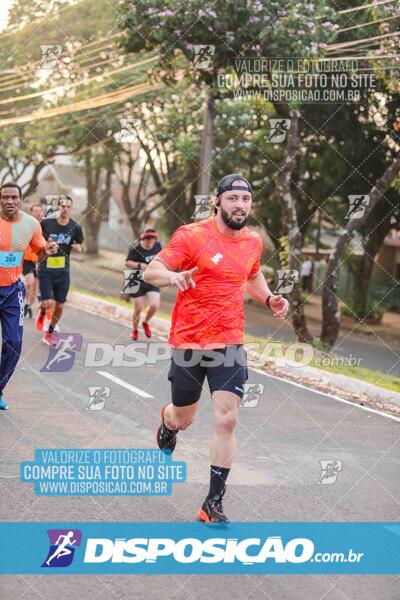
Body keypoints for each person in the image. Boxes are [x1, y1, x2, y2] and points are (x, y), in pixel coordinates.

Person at [144, 174, 289, 522]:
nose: (241, 205)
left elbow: (252, 275)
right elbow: (152, 270)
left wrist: (268, 298)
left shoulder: (253, 242)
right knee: (184, 416)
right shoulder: (192, 235)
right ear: (219, 202)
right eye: (233, 198)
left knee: (228, 419)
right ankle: (168, 423)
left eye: (246, 199)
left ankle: (213, 502)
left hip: (230, 342)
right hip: (190, 341)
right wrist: (174, 277)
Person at [0, 183, 57, 410]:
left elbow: (40, 252)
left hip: (13, 291)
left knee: (13, 344)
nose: (9, 201)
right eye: (5, 197)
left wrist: (48, 250)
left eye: (14, 197)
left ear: (21, 199)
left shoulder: (31, 224)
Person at [36, 196, 84, 346]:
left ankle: (49, 333)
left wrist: (78, 247)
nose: (65, 209)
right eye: (62, 206)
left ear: (71, 208)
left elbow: (81, 244)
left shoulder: (75, 227)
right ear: (58, 207)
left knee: (60, 305)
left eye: (68, 207)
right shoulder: (47, 224)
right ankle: (43, 311)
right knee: (47, 302)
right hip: (46, 268)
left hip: (63, 270)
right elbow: (36, 238)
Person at [125, 228, 162, 340]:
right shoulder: (136, 247)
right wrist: (140, 265)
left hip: (151, 278)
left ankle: (145, 322)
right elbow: (127, 263)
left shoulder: (158, 246)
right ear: (143, 239)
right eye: (147, 239)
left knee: (155, 305)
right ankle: (135, 330)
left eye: (152, 239)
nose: (150, 241)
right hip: (135, 279)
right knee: (138, 308)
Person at [22, 204, 45, 318]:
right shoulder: (26, 224)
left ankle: (28, 306)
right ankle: (25, 304)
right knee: (29, 283)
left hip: (39, 260)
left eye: (40, 211)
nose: (38, 213)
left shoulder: (45, 226)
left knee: (36, 286)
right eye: (35, 211)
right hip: (26, 259)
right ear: (31, 212)